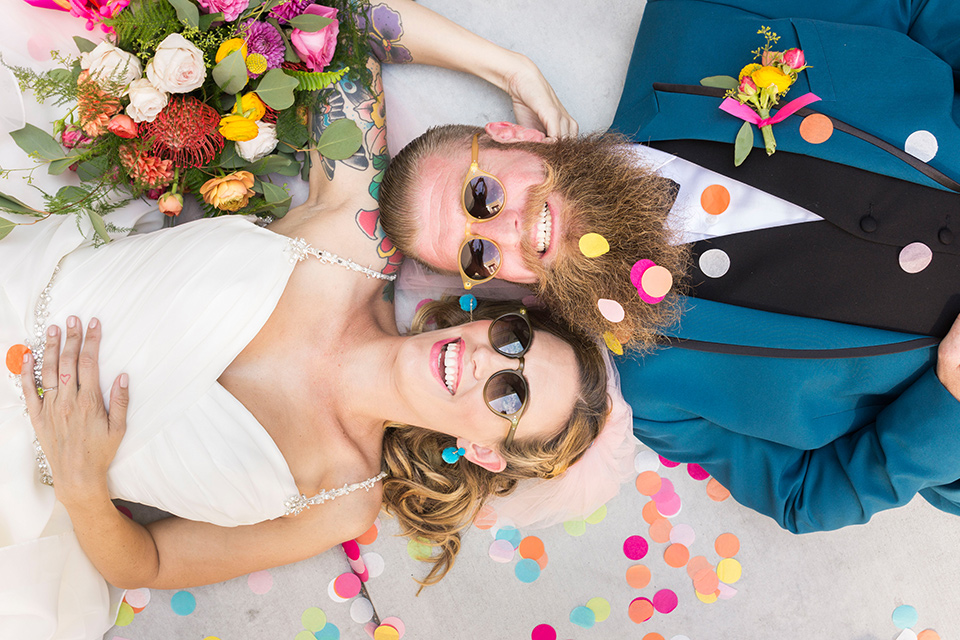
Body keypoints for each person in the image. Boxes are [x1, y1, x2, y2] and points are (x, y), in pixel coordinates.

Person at [0, 2, 614, 639]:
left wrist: (82, 490)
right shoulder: (356, 238)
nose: (491, 361)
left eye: (509, 394)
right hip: (17, 262)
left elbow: (149, 561)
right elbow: (343, 27)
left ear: (486, 453)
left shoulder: (342, 502)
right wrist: (514, 71)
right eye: (514, 340)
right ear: (493, 316)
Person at [376, 0, 960, 531]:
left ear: (513, 135)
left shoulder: (693, 22)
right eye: (477, 255)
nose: (505, 231)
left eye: (481, 195)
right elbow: (802, 497)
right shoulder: (651, 387)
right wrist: (950, 399)